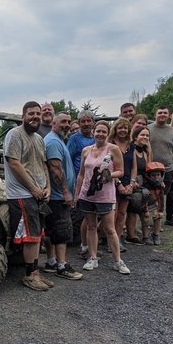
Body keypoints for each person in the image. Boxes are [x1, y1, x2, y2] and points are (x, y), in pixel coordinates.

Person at [5, 101, 54, 291]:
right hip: (22, 193)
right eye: (31, 113)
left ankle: (35, 272)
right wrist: (33, 188)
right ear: (23, 116)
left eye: (38, 114)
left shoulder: (39, 139)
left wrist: (47, 187)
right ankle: (29, 275)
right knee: (30, 237)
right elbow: (14, 163)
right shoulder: (15, 135)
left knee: (37, 235)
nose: (35, 117)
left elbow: (43, 164)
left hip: (39, 194)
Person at [75, 121, 130, 274]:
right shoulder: (86, 150)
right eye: (98, 131)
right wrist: (77, 194)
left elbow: (121, 171)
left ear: (108, 133)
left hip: (105, 195)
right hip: (87, 194)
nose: (100, 134)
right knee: (91, 226)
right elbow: (81, 174)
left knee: (109, 229)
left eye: (103, 132)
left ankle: (118, 261)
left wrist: (109, 176)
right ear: (93, 132)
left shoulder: (113, 149)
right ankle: (92, 258)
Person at [43, 112, 83, 280]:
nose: (67, 125)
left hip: (57, 195)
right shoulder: (52, 141)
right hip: (58, 196)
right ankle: (62, 265)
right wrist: (66, 192)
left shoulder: (58, 139)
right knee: (62, 229)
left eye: (68, 122)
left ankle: (51, 262)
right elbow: (55, 170)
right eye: (63, 122)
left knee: (52, 229)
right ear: (53, 123)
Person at [67, 110, 97, 257]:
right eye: (83, 121)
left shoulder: (97, 138)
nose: (86, 124)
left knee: (92, 212)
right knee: (78, 211)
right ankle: (77, 241)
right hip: (79, 179)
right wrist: (71, 181)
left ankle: (89, 242)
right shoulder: (74, 139)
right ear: (79, 124)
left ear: (93, 122)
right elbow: (69, 159)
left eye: (88, 121)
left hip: (95, 181)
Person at [147, 107, 173, 228]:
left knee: (163, 195)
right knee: (152, 195)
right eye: (160, 112)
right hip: (150, 169)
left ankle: (164, 219)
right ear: (155, 114)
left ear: (169, 115)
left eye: (165, 113)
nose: (162, 115)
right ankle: (152, 221)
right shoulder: (148, 129)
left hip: (167, 169)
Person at [108, 118, 134, 243]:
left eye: (125, 128)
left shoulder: (131, 145)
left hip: (128, 182)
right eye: (120, 128)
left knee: (122, 213)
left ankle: (117, 241)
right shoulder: (110, 145)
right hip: (112, 182)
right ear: (115, 129)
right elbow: (108, 166)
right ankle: (109, 241)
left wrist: (131, 183)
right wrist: (118, 183)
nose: (123, 130)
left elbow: (133, 166)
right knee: (113, 213)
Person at [127, 125, 152, 243]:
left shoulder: (145, 152)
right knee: (133, 207)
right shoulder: (131, 149)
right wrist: (133, 181)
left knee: (143, 208)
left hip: (143, 181)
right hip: (133, 181)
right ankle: (131, 235)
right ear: (135, 137)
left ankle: (145, 236)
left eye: (147, 135)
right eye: (142, 135)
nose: (145, 137)